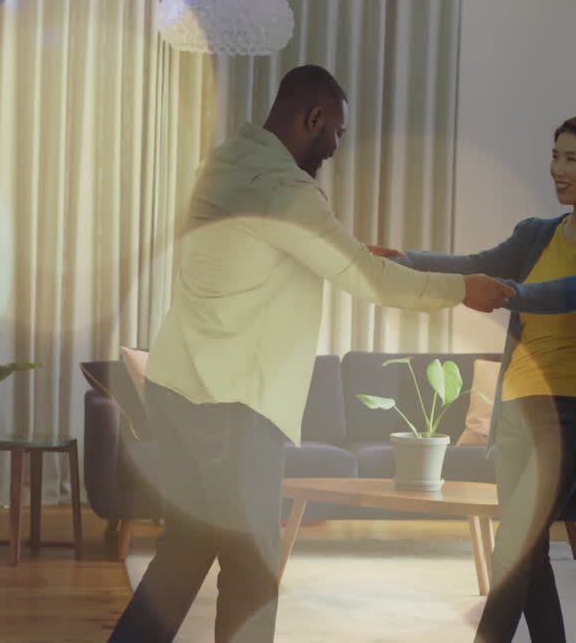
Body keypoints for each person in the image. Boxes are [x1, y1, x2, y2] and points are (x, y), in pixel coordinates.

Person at [106, 64, 516, 643]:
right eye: (336, 133)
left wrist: (347, 251)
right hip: (234, 404)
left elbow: (267, 249)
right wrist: (462, 289)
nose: (334, 147)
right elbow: (368, 283)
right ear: (313, 118)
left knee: (186, 548)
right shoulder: (286, 189)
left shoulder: (224, 162)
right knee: (252, 570)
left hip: (177, 389)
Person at [375, 112, 576, 643]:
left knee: (514, 541)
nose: (557, 169)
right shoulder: (536, 234)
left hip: (569, 411)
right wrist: (407, 260)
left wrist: (512, 293)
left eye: (571, 158)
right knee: (529, 546)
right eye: (555, 156)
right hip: (517, 405)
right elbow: (476, 263)